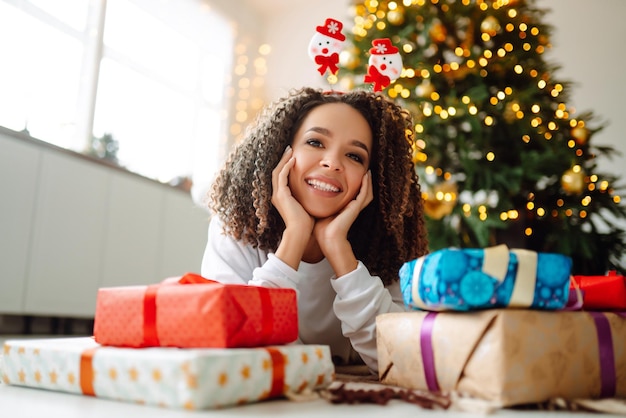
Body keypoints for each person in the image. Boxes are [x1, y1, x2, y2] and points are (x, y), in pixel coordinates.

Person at [201, 87, 428, 373]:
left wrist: (338, 249)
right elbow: (235, 347)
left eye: (355, 156)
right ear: (282, 151)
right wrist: (294, 236)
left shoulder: (385, 244)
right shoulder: (236, 228)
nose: (332, 162)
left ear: (371, 178)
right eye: (315, 142)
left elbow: (406, 361)